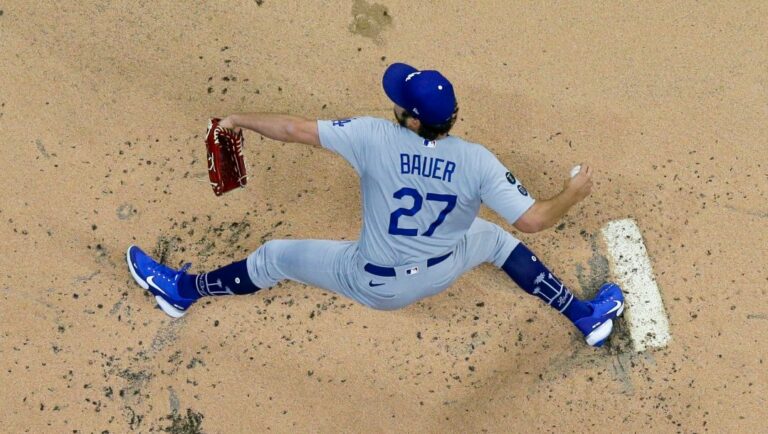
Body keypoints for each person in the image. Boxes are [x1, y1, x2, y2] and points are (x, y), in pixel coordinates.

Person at [126, 63, 624, 347]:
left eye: (400, 104)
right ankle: (583, 316)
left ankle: (182, 292)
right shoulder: (478, 162)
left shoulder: (373, 137)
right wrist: (573, 193)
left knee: (274, 257)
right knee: (496, 239)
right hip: (443, 265)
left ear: (409, 121)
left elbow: (297, 130)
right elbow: (534, 218)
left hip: (374, 281)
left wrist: (238, 119)